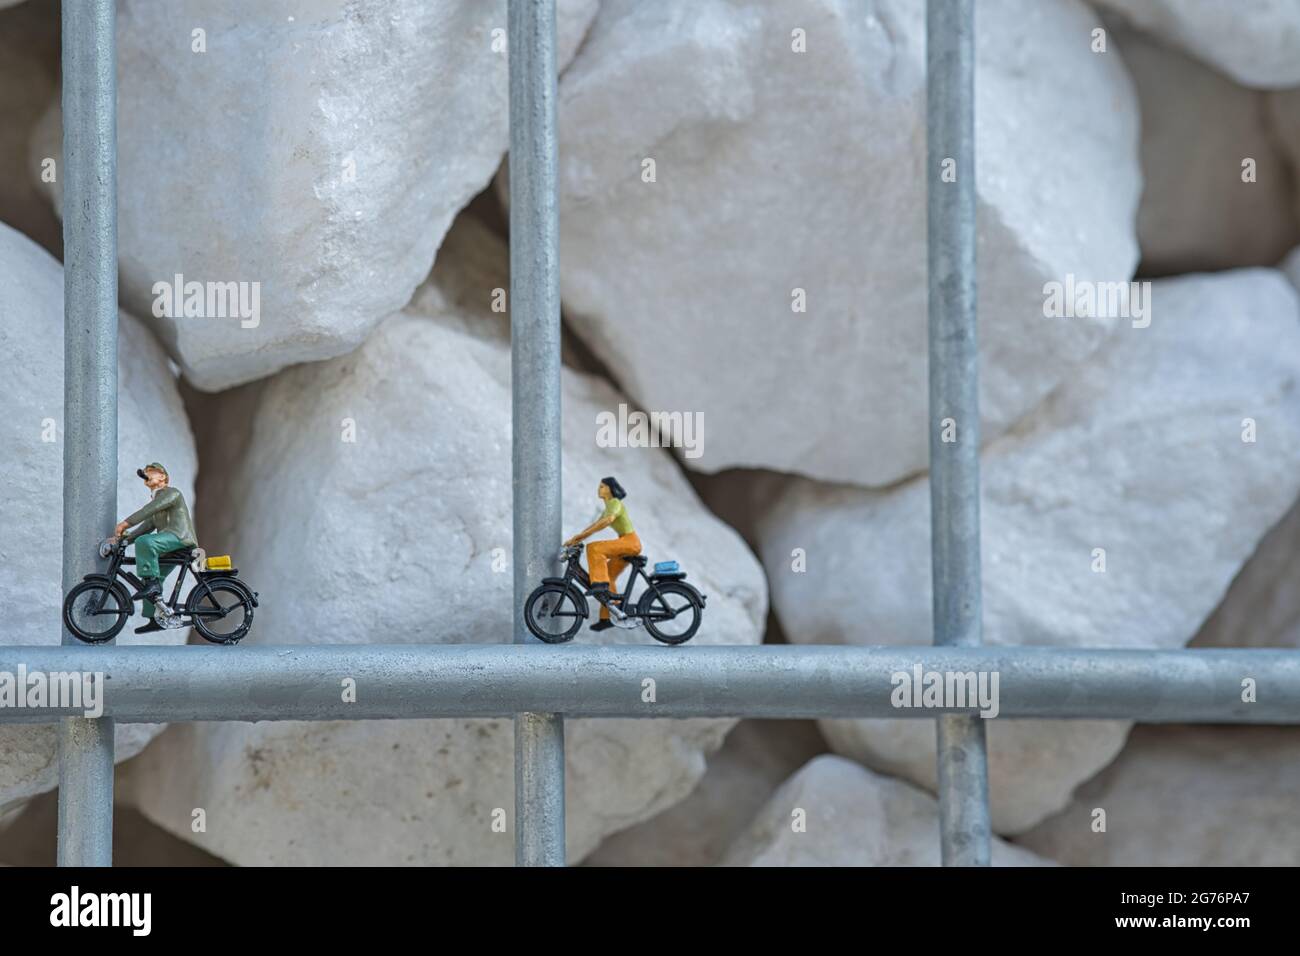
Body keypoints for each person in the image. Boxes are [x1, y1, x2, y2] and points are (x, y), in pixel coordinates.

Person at [112, 462, 198, 633]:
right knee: (150, 580)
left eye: (151, 471)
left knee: (145, 542)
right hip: (170, 544)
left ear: (163, 477)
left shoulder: (171, 493)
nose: (147, 474)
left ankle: (152, 584)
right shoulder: (157, 503)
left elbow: (150, 509)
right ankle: (156, 619)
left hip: (179, 538)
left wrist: (124, 524)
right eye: (146, 472)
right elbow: (146, 526)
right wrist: (122, 540)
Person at [564, 476, 641, 632]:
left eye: (602, 487)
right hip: (626, 541)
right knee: (609, 576)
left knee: (595, 548)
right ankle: (608, 617)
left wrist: (580, 537)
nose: (599, 489)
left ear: (610, 489)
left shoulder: (615, 503)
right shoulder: (608, 507)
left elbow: (606, 521)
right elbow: (595, 525)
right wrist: (576, 538)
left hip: (630, 542)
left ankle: (599, 584)